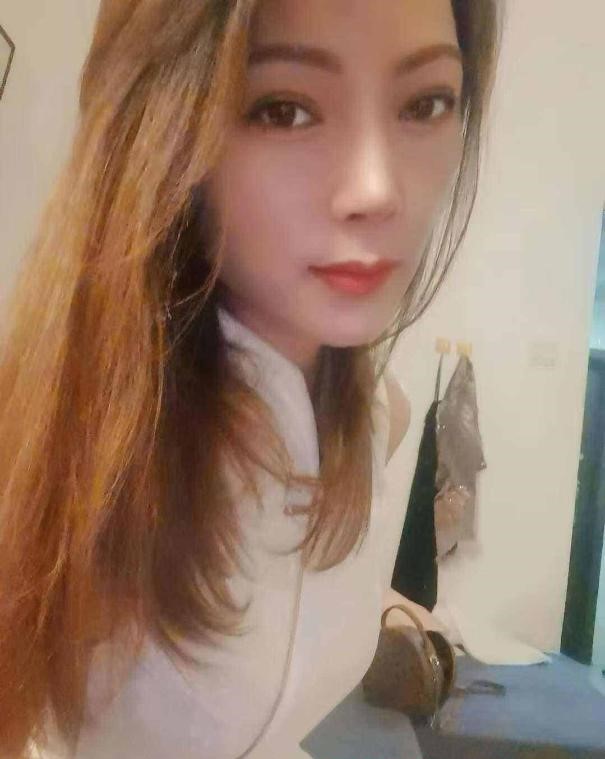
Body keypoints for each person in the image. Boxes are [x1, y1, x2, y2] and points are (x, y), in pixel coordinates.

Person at [0, 1, 498, 757]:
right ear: (166, 130)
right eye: (284, 109)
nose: (377, 188)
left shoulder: (376, 416)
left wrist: (395, 611)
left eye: (425, 103)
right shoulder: (69, 439)